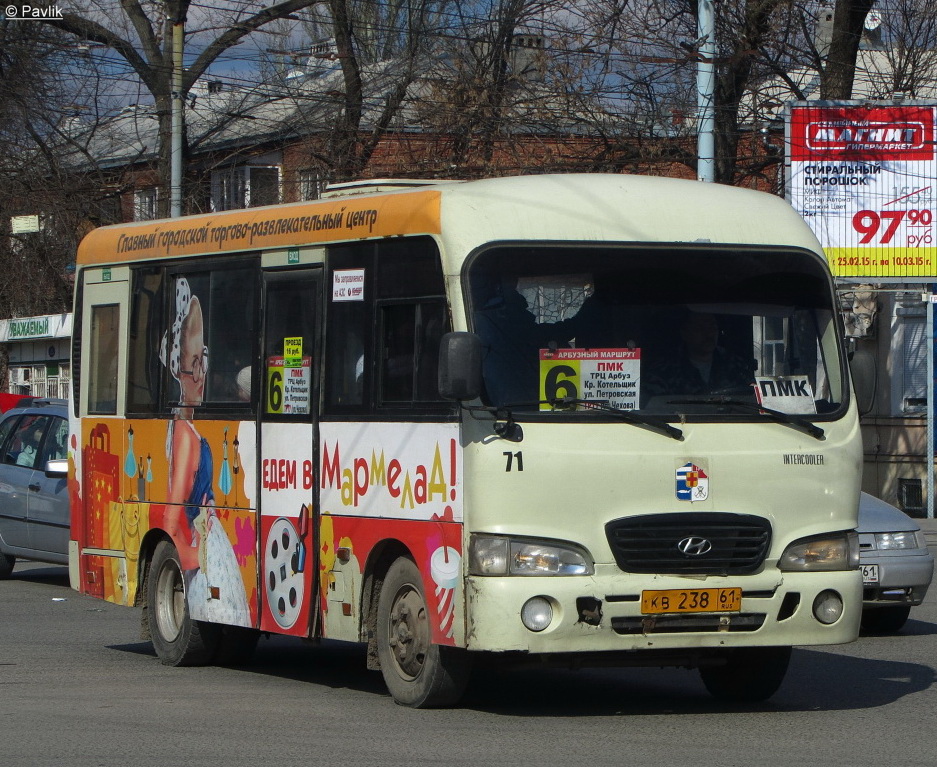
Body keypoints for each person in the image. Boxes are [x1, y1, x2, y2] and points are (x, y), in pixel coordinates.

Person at [649, 311, 754, 396]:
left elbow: (752, 397)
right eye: (700, 328)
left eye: (712, 327)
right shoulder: (665, 370)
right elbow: (654, 407)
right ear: (685, 333)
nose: (708, 333)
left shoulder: (737, 366)